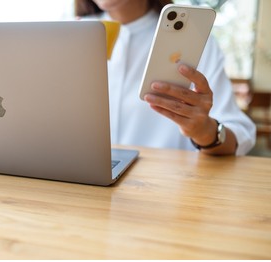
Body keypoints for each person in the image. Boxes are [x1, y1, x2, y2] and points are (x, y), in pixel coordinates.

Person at [75, 0, 256, 156]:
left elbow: (240, 135)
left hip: (167, 190)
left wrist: (205, 132)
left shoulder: (196, 41)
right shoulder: (72, 34)